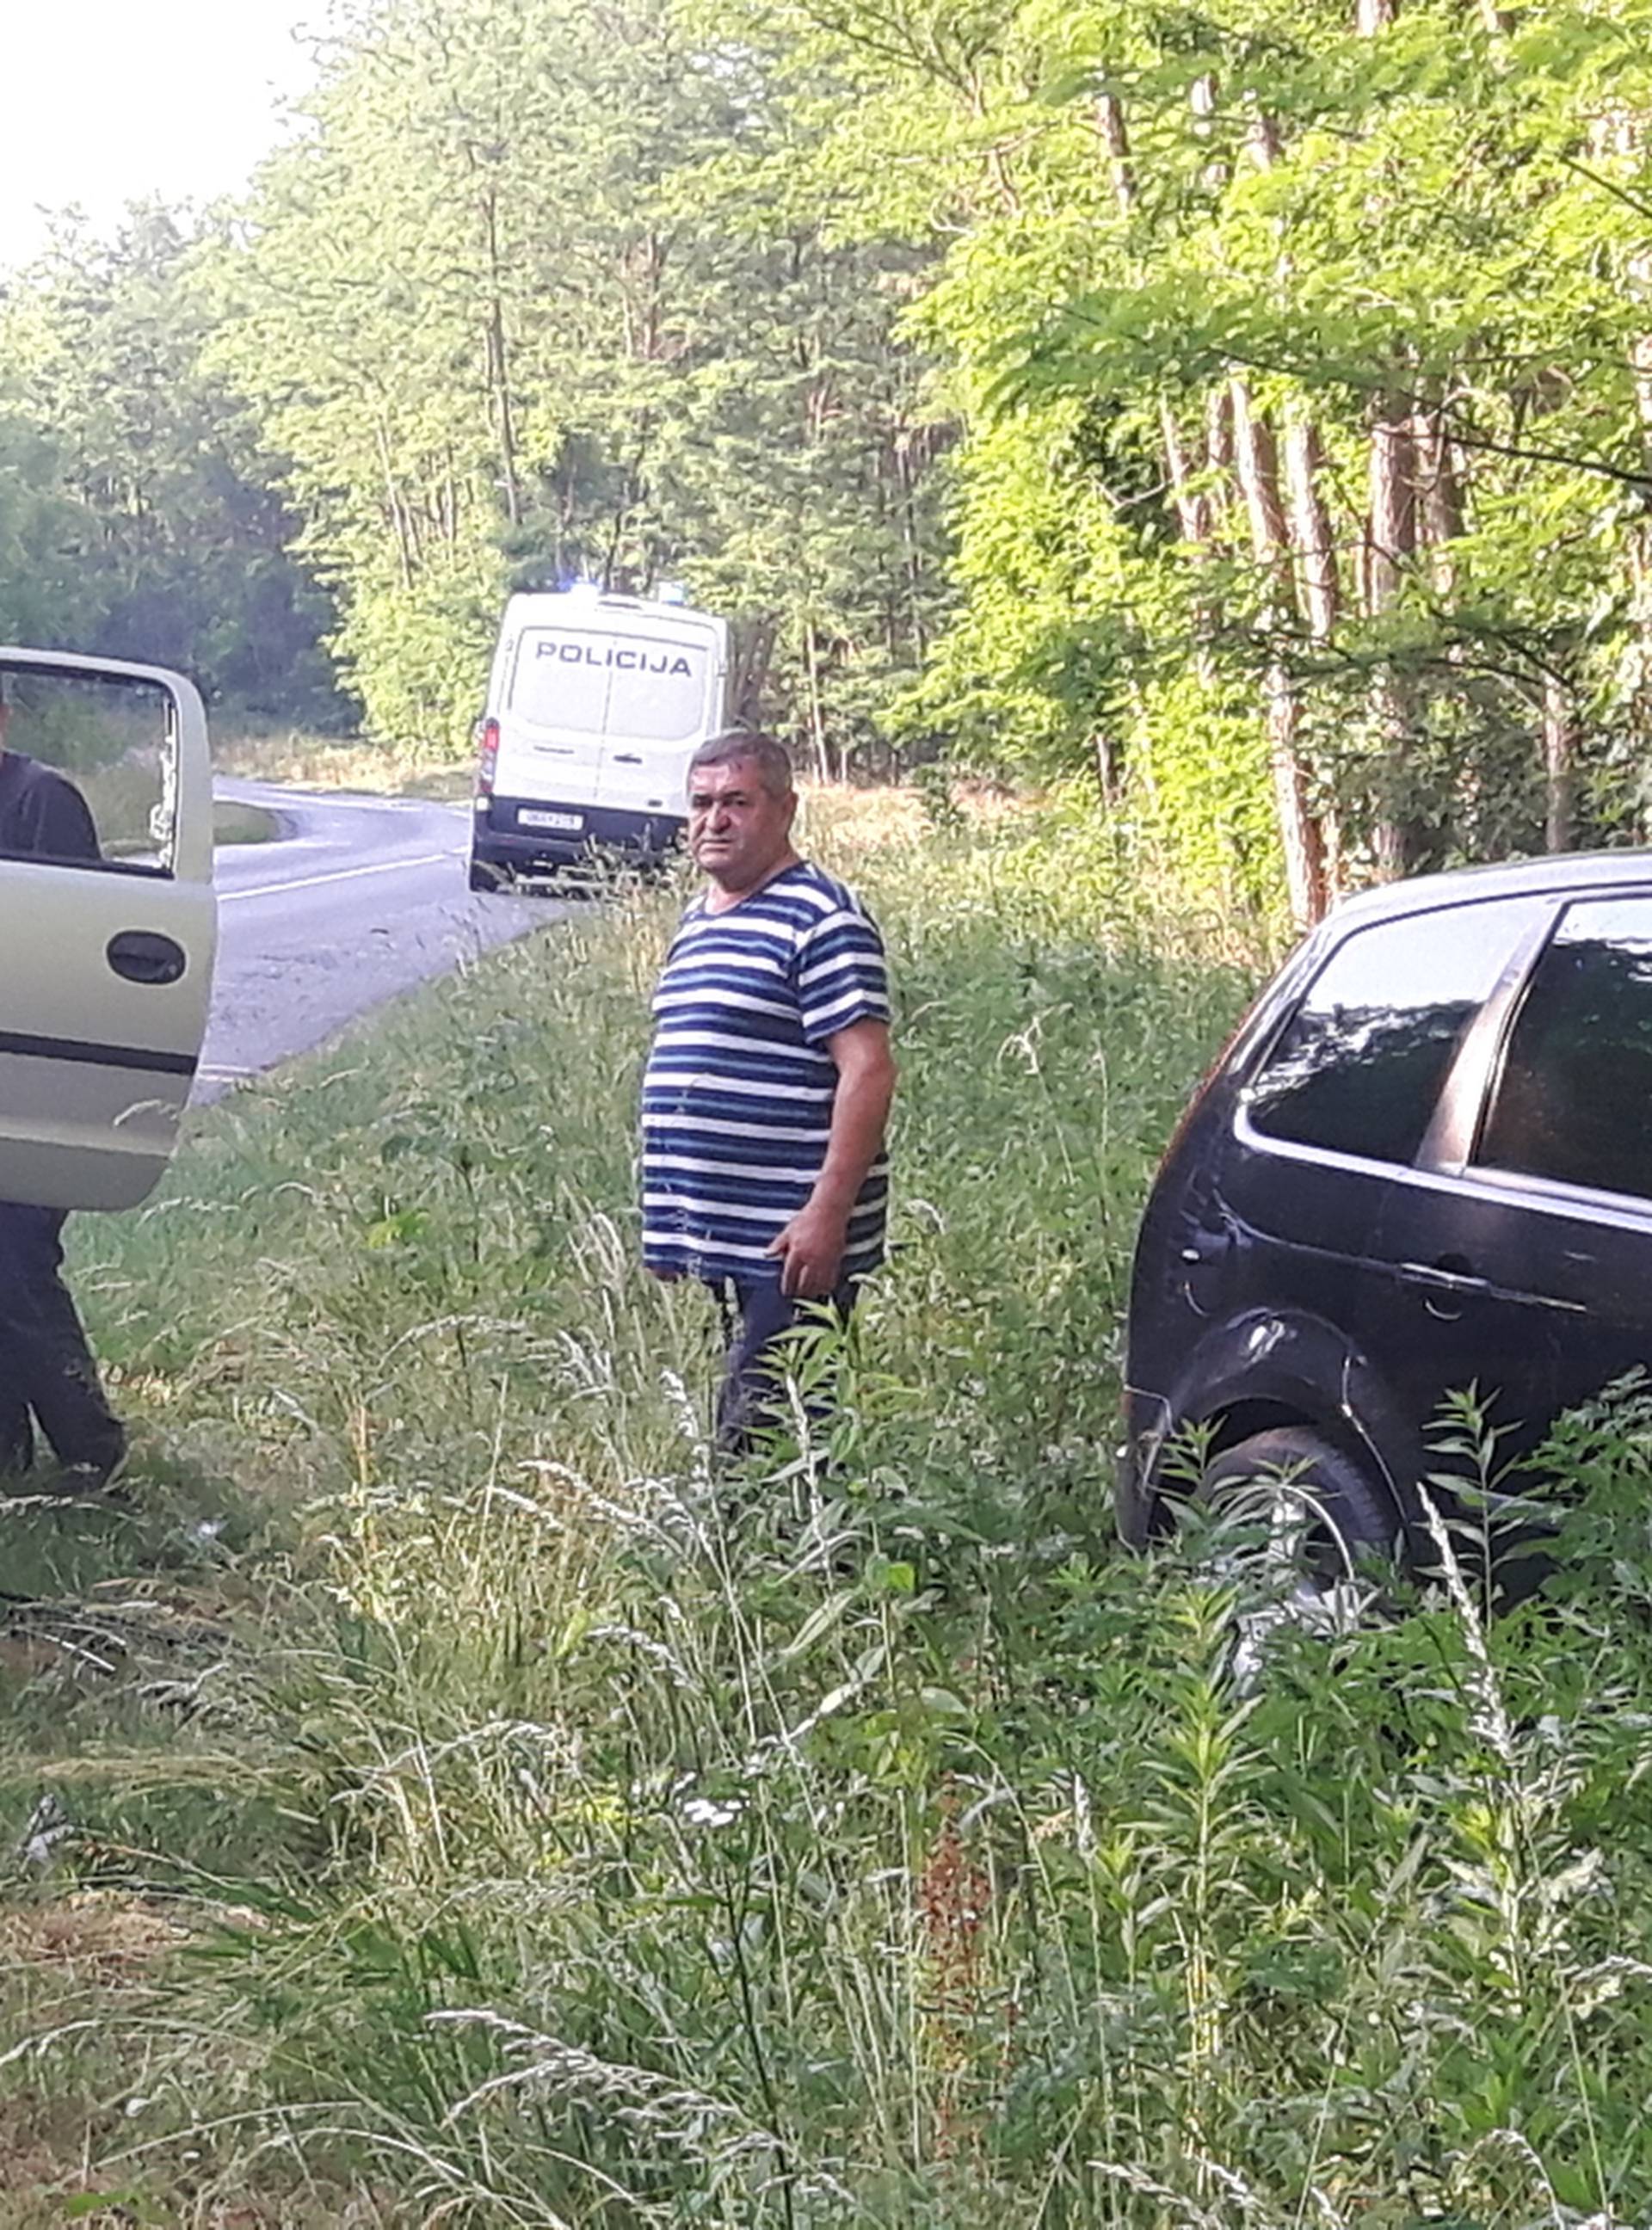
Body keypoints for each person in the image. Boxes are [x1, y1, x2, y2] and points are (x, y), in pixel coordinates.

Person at [640, 730, 897, 1453]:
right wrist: (671, 1222)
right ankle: (788, 1555)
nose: (713, 820)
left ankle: (761, 1559)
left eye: (736, 802)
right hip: (719, 1237)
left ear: (784, 809)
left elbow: (869, 1070)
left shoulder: (821, 918)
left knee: (760, 1439)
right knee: (777, 1431)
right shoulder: (700, 920)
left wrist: (827, 1216)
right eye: (701, 804)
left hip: (789, 1242)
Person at [0, 680, 128, 1491]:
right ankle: (8, 1455)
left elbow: (75, 954)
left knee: (14, 1261)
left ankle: (91, 1447)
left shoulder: (41, 801)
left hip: (32, 1077)